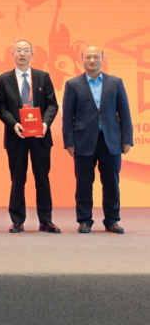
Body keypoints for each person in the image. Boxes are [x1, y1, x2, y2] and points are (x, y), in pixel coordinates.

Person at [62, 46, 133, 234]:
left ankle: (112, 220)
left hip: (111, 141)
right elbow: (67, 116)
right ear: (82, 59)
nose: (92, 60)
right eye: (88, 57)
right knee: (83, 184)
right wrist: (69, 141)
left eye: (96, 57)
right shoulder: (73, 84)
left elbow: (124, 112)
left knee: (111, 183)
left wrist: (127, 138)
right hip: (83, 141)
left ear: (102, 58)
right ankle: (84, 221)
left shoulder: (115, 82)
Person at [0, 40, 60, 234]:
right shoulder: (3, 79)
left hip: (40, 135)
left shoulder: (43, 77)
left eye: (26, 50)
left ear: (32, 54)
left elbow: (52, 104)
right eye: (18, 50)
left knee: (42, 179)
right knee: (17, 180)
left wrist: (45, 123)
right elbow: (0, 107)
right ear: (12, 54)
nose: (22, 53)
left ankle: (46, 221)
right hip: (16, 135)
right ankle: (17, 221)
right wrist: (13, 123)